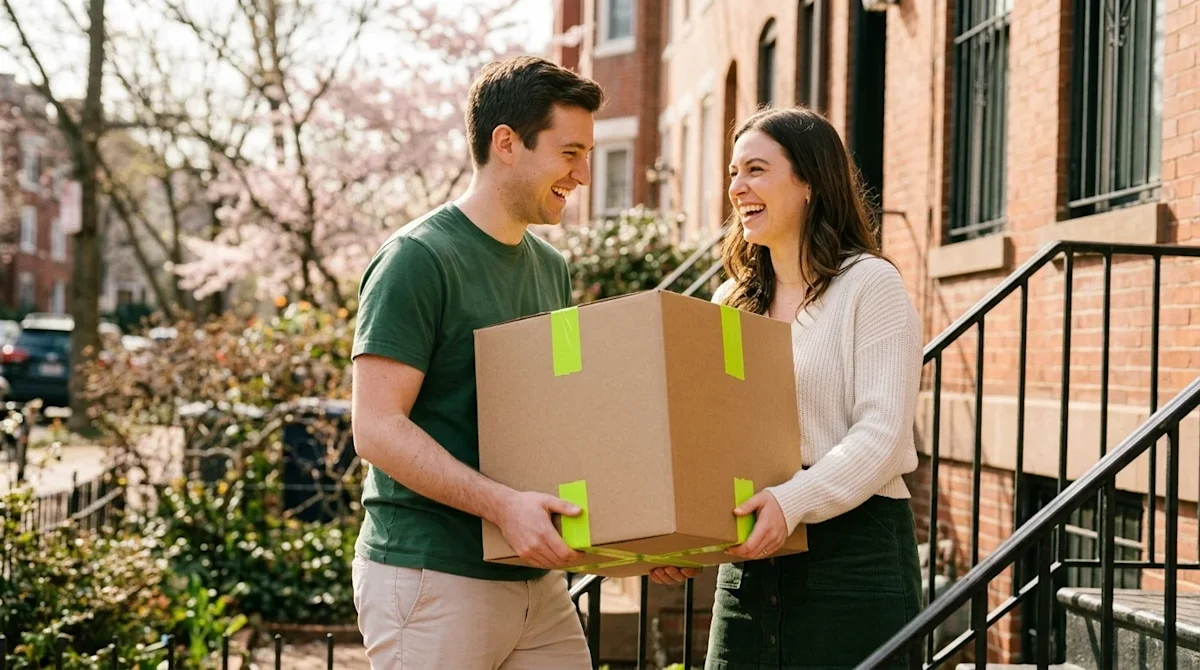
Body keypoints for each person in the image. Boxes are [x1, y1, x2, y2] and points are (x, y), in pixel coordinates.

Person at [349, 55, 605, 670]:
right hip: (430, 574)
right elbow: (376, 428)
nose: (584, 174)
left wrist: (644, 533)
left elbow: (557, 416)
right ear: (507, 143)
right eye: (570, 153)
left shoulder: (552, 269)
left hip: (530, 572)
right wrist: (502, 507)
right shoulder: (418, 258)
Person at [650, 106, 923, 669]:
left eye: (755, 169)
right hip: (751, 563)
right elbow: (704, 439)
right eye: (732, 172)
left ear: (808, 183)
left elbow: (882, 436)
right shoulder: (730, 302)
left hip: (854, 562)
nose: (737, 187)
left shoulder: (869, 285)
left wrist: (791, 500)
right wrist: (675, 534)